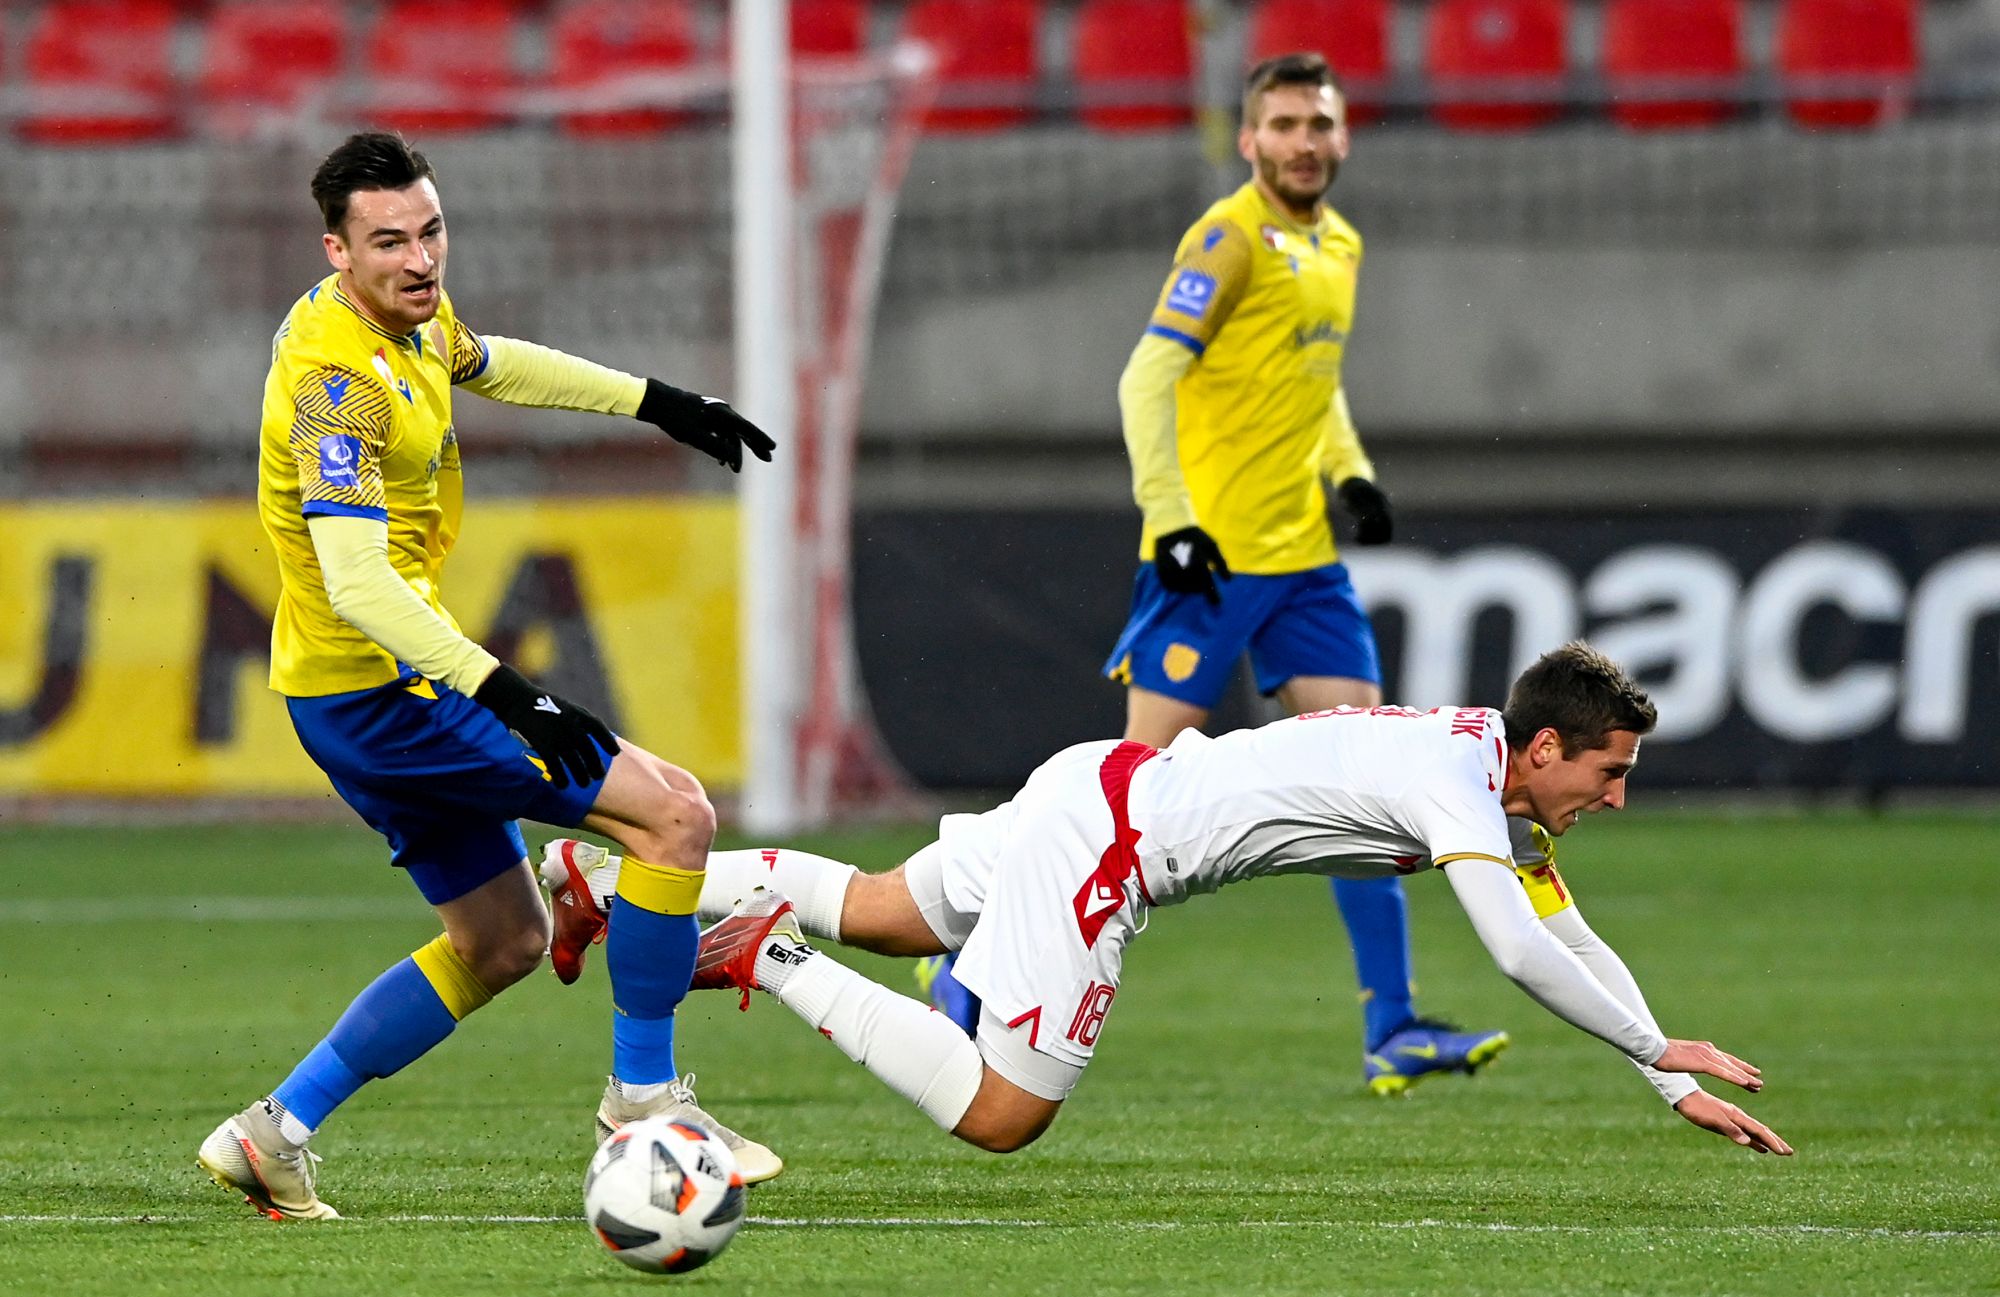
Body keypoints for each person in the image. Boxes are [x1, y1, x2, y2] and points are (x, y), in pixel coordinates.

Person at [543, 644, 1792, 1159]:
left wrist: (1657, 1068)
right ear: (1544, 747)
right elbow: (1515, 949)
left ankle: (602, 877)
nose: (1616, 796)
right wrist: (1648, 1045)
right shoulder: (1456, 783)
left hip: (1102, 779)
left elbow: (1560, 926)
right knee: (1001, 1113)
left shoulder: (1490, 782)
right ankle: (760, 953)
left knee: (878, 909)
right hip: (1111, 844)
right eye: (1609, 772)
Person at [196, 131, 781, 1221]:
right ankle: (645, 1107)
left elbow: (491, 359)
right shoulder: (336, 383)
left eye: (431, 231)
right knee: (674, 817)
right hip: (388, 695)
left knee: (504, 940)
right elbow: (358, 582)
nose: (420, 259)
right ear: (336, 252)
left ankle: (271, 1131)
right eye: (388, 242)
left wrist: (657, 401)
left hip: (350, 693)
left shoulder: (404, 319)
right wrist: (509, 691)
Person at [926, 51, 1505, 1096]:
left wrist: (1350, 472)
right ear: (1248, 140)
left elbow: (1312, 384)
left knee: (1373, 784)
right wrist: (1171, 519)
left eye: (1318, 124)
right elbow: (1145, 375)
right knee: (1121, 793)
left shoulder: (1338, 243)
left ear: (1342, 136)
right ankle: (962, 958)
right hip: (1210, 559)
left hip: (1304, 565)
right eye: (1283, 124)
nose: (1302, 142)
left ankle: (1392, 1024)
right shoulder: (1227, 237)